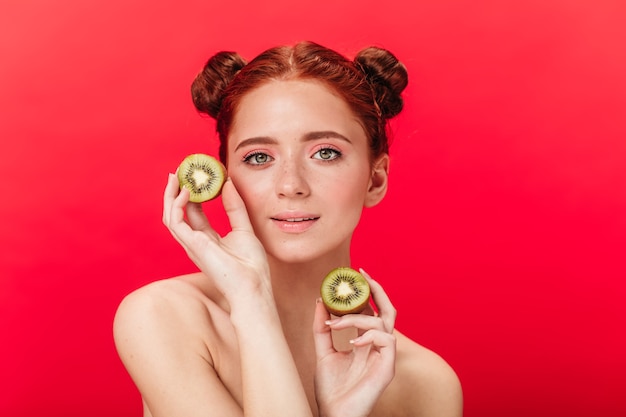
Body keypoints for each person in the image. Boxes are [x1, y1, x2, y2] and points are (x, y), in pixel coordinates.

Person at [113, 40, 463, 417]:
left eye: (326, 153)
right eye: (259, 157)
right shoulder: (166, 317)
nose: (290, 184)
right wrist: (251, 301)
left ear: (375, 180)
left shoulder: (426, 384)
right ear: (226, 177)